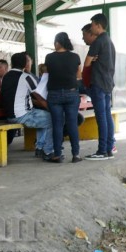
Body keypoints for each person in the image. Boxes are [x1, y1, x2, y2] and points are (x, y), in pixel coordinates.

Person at [1, 52, 53, 158]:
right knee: (52, 118)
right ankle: (47, 151)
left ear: (12, 63)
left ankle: (40, 147)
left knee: (43, 117)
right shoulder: (26, 77)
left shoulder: (5, 77)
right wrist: (51, 108)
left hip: (9, 116)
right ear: (25, 64)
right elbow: (39, 96)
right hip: (22, 116)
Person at [45, 32, 82, 163]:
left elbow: (50, 72)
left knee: (57, 125)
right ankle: (76, 155)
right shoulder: (75, 57)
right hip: (71, 93)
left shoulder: (49, 57)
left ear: (57, 43)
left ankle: (57, 154)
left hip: (54, 94)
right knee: (72, 124)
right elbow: (78, 75)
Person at [83, 13, 116, 160]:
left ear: (98, 25)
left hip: (98, 83)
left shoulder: (98, 41)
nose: (91, 28)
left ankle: (102, 151)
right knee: (107, 117)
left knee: (101, 118)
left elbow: (87, 63)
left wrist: (93, 59)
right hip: (108, 84)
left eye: (92, 25)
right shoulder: (109, 41)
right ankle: (109, 149)